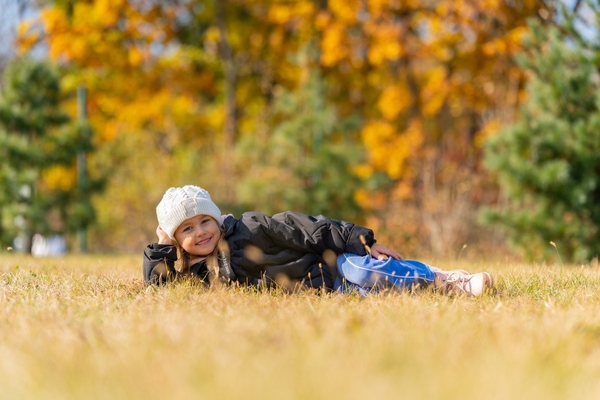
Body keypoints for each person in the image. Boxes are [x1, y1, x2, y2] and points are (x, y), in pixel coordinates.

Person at [143, 185, 494, 296]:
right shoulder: (202, 272)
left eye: (205, 221)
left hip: (334, 263)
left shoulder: (250, 227)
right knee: (378, 293)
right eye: (187, 229)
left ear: (217, 218)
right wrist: (161, 246)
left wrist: (361, 240)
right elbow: (158, 288)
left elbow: (310, 228)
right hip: (328, 289)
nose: (200, 232)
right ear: (176, 239)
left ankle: (448, 280)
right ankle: (431, 288)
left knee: (363, 271)